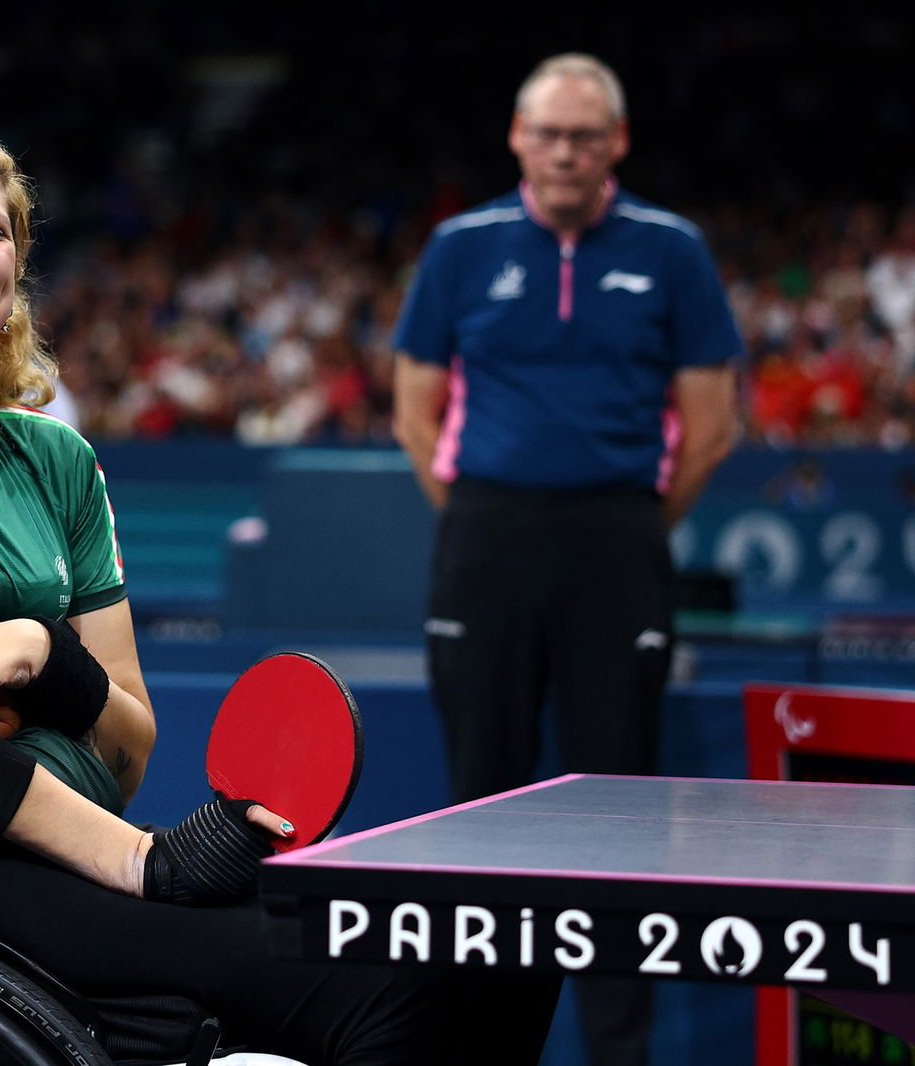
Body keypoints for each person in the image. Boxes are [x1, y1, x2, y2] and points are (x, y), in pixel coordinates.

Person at [0, 119, 542, 1066]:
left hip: (81, 849)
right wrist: (144, 862)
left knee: (490, 945)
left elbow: (129, 747)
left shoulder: (57, 460)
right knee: (384, 979)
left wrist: (42, 656)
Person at [391, 53, 742, 1066]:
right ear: (516, 137)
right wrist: (486, 522)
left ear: (616, 145)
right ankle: (470, 1044)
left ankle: (616, 1053)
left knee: (617, 816)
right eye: (547, 133)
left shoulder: (672, 251)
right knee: (478, 806)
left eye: (585, 135)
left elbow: (710, 428)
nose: (564, 151)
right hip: (486, 540)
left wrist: (621, 527)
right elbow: (416, 411)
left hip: (617, 544)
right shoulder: (461, 247)